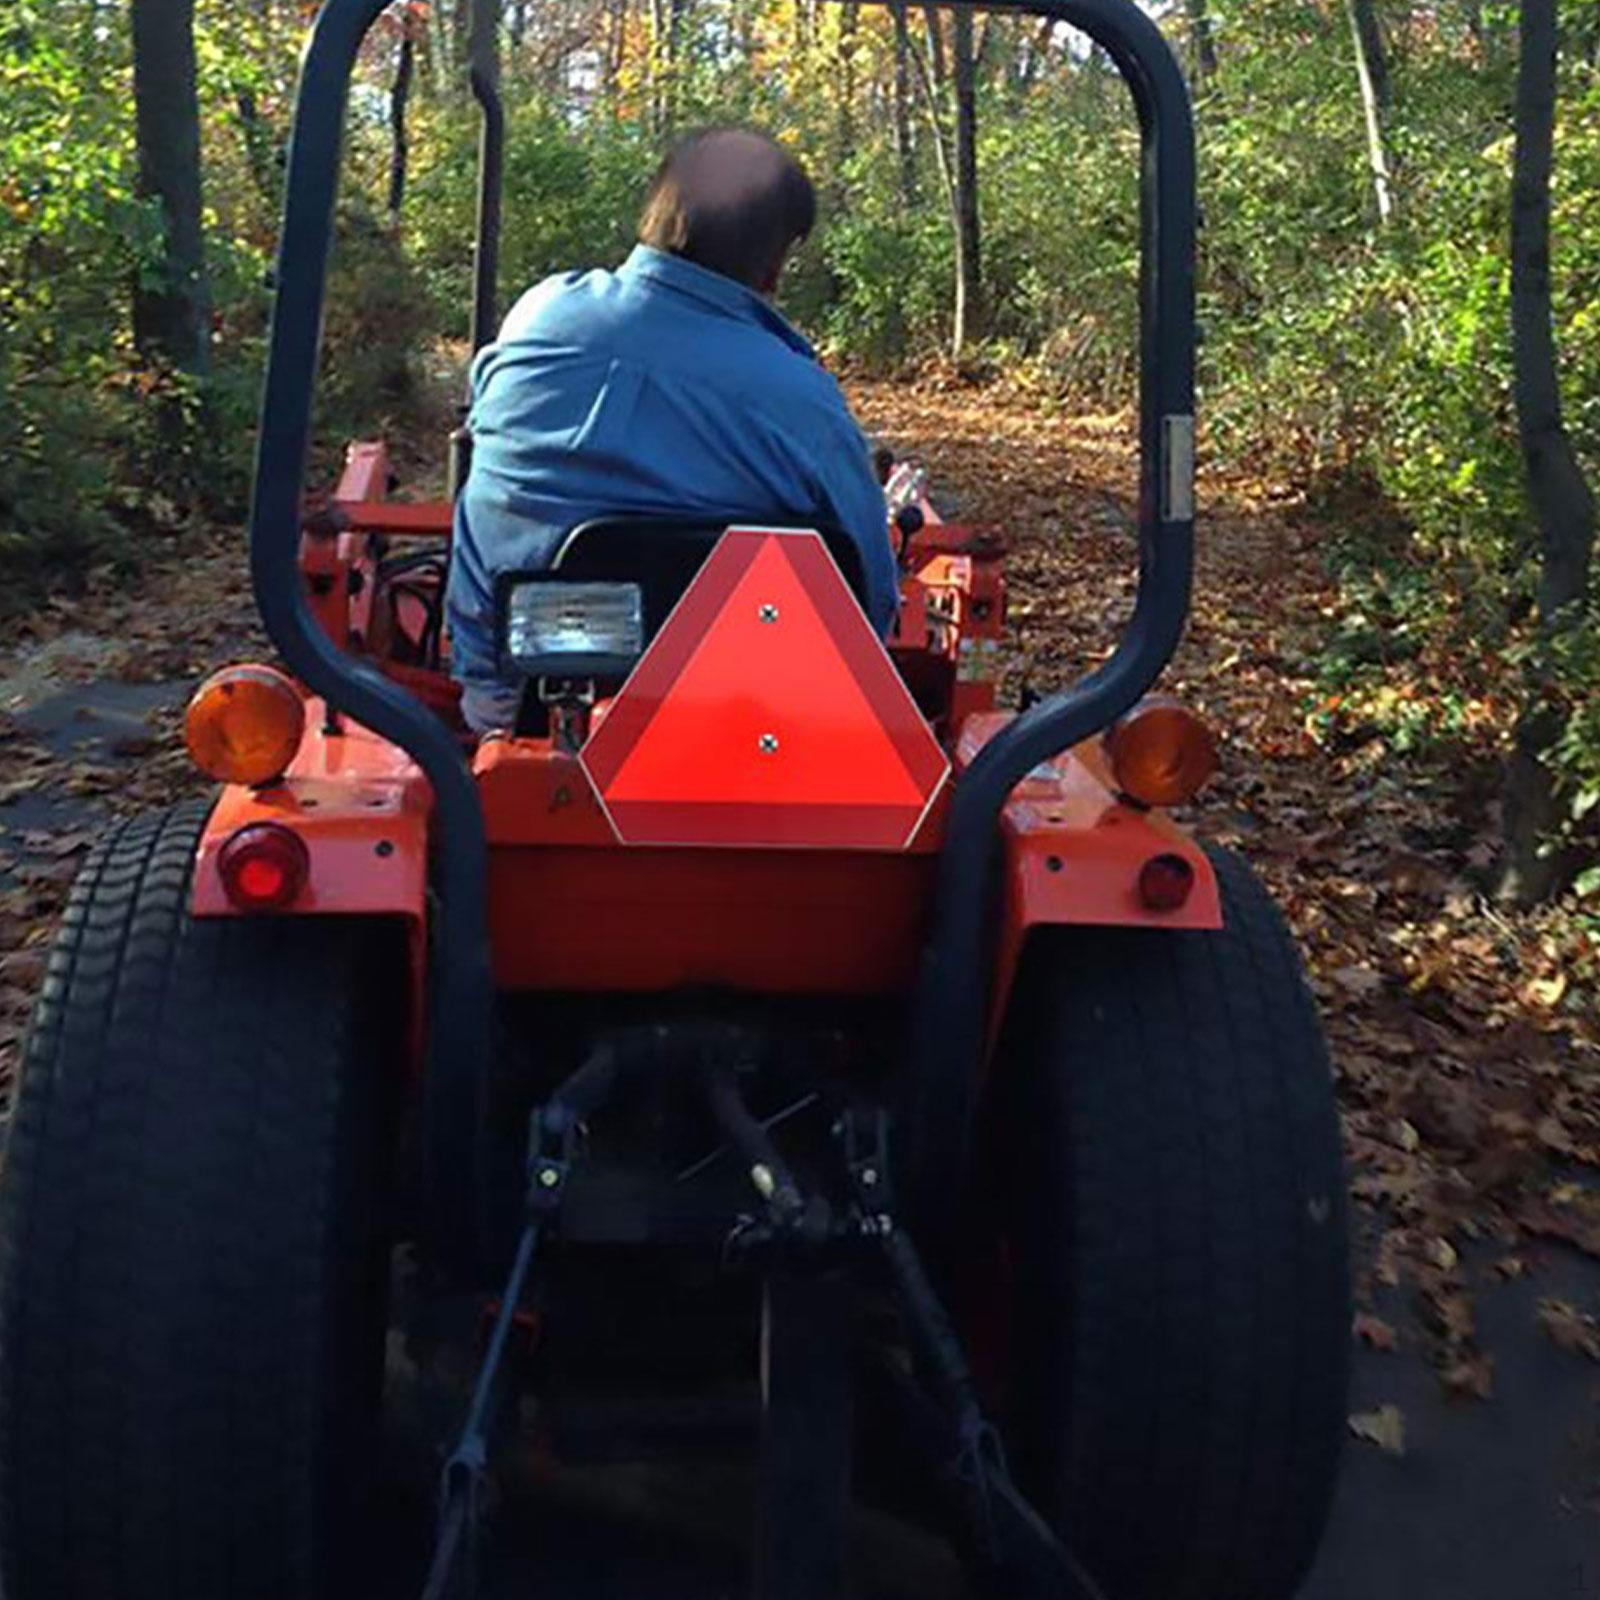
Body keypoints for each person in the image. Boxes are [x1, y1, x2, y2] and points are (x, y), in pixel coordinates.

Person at [446, 126, 896, 733]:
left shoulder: (538, 315)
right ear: (772, 264)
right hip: (742, 728)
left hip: (519, 711)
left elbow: (485, 427)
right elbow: (870, 607)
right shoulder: (801, 399)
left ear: (655, 214)